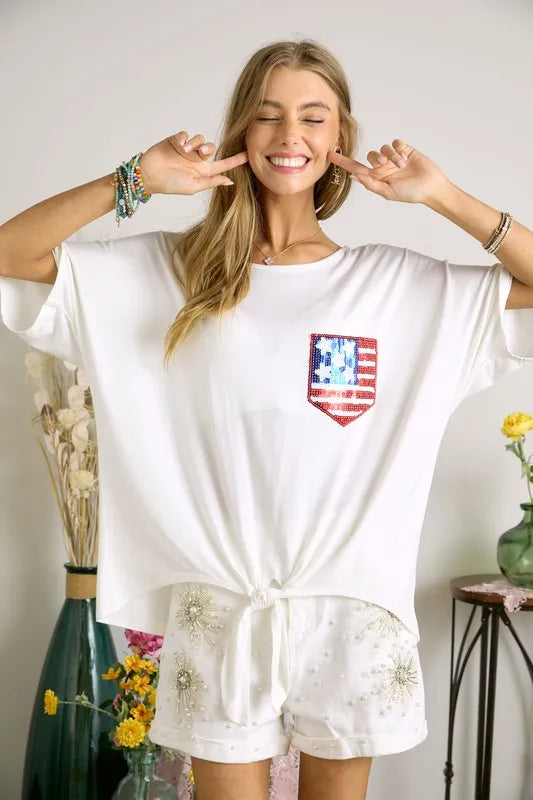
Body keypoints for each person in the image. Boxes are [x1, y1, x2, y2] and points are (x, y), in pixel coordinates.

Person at [2, 38, 533, 800]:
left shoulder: (394, 287)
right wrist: (135, 179)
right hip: (220, 605)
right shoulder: (169, 272)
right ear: (241, 132)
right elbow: (10, 255)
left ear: (339, 137)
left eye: (312, 117)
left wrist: (442, 196)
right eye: (267, 114)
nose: (289, 135)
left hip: (353, 607)